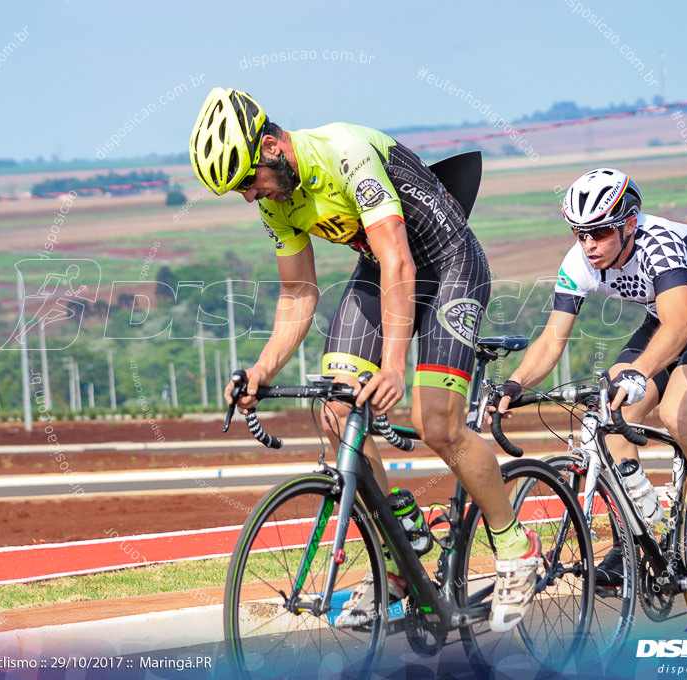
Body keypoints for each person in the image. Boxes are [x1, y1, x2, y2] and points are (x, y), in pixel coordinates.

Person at [190, 87, 540, 631]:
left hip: (448, 265)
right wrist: (261, 370)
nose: (247, 196)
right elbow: (298, 294)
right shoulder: (276, 201)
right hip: (383, 272)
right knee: (335, 410)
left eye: (246, 180)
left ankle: (516, 548)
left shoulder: (343, 151)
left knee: (436, 424)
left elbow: (399, 258)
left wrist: (394, 365)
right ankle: (399, 555)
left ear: (272, 146)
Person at [497, 167, 687, 586]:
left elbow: (680, 328)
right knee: (608, 412)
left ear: (630, 223)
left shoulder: (660, 245)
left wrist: (639, 372)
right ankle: (632, 540)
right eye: (579, 233)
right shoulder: (579, 261)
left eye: (598, 233)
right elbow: (551, 340)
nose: (588, 244)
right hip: (663, 321)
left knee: (678, 414)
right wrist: (514, 383)